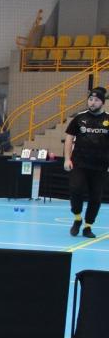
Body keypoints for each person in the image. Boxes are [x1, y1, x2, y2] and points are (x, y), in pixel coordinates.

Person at [64, 86, 109, 238]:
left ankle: (88, 226)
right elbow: (69, 138)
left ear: (102, 103)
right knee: (75, 189)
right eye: (90, 99)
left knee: (96, 197)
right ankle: (77, 218)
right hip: (79, 163)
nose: (92, 102)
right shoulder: (79, 118)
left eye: (96, 100)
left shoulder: (108, 119)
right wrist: (67, 159)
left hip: (101, 166)